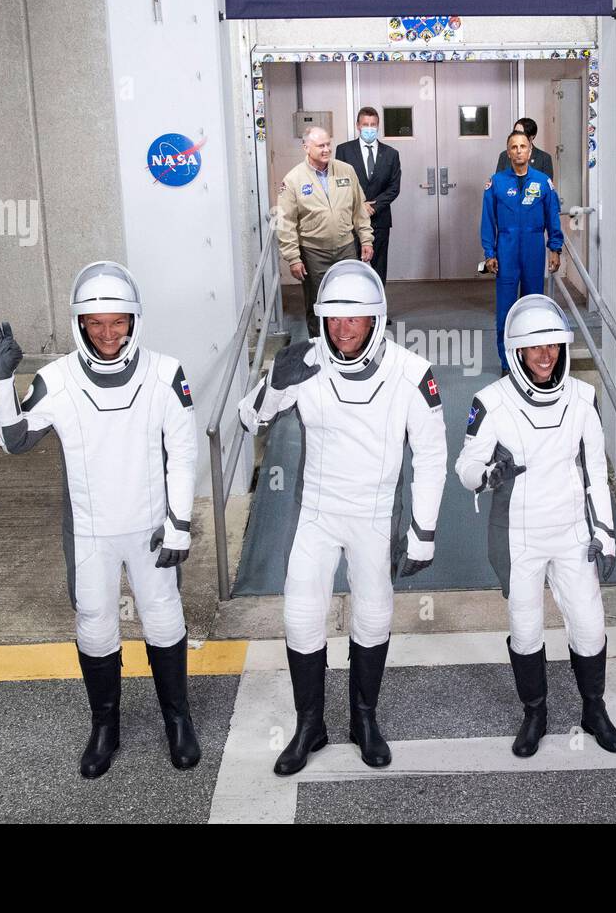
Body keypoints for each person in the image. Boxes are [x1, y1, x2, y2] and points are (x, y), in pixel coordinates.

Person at [0, 261, 200, 778]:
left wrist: (180, 522)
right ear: (79, 324)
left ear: (134, 320)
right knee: (95, 630)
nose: (106, 333)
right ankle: (105, 726)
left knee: (164, 619)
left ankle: (178, 721)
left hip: (151, 529)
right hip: (90, 534)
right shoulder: (56, 379)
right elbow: (12, 440)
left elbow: (183, 453)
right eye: (95, 323)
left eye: (117, 321)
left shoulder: (166, 372)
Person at [238, 261, 447, 775]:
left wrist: (423, 531)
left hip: (374, 516)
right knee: (300, 616)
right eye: (333, 318)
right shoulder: (305, 362)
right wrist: (273, 384)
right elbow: (249, 418)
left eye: (354, 319)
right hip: (317, 513)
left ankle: (364, 720)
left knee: (374, 615)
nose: (343, 329)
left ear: (376, 319)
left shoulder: (411, 373)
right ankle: (310, 724)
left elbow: (433, 454)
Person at [454, 295, 616, 758]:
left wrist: (605, 534)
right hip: (520, 537)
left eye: (552, 345)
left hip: (572, 534)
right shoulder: (491, 402)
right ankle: (535, 713)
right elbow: (464, 465)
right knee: (526, 630)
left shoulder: (582, 397)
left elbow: (594, 471)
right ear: (517, 353)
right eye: (535, 348)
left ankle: (594, 709)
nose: (546, 356)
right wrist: (488, 475)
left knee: (589, 626)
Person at [277, 126, 375, 338]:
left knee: (350, 298)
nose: (326, 149)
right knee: (318, 303)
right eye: (320, 145)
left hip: (346, 248)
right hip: (314, 252)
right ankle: (319, 347)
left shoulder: (346, 171)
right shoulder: (293, 179)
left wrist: (366, 240)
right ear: (306, 147)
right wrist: (293, 258)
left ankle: (349, 346)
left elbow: (359, 209)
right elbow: (285, 222)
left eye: (328, 144)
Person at [481, 131, 563, 371]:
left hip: (533, 249)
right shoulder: (495, 183)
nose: (518, 151)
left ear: (530, 151)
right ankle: (507, 362)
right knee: (506, 311)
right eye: (514, 147)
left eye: (523, 146)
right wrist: (489, 253)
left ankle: (531, 360)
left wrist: (555, 248)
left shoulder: (543, 182)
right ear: (508, 153)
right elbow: (487, 221)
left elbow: (552, 218)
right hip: (506, 250)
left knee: (533, 307)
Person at [335, 107, 401, 285]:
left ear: (378, 126)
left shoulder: (391, 154)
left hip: (380, 219)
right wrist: (360, 206)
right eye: (365, 124)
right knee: (353, 267)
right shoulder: (344, 151)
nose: (369, 128)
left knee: (379, 267)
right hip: (351, 221)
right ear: (358, 125)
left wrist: (374, 206)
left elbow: (394, 188)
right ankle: (357, 309)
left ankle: (378, 308)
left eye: (373, 125)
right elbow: (340, 184)